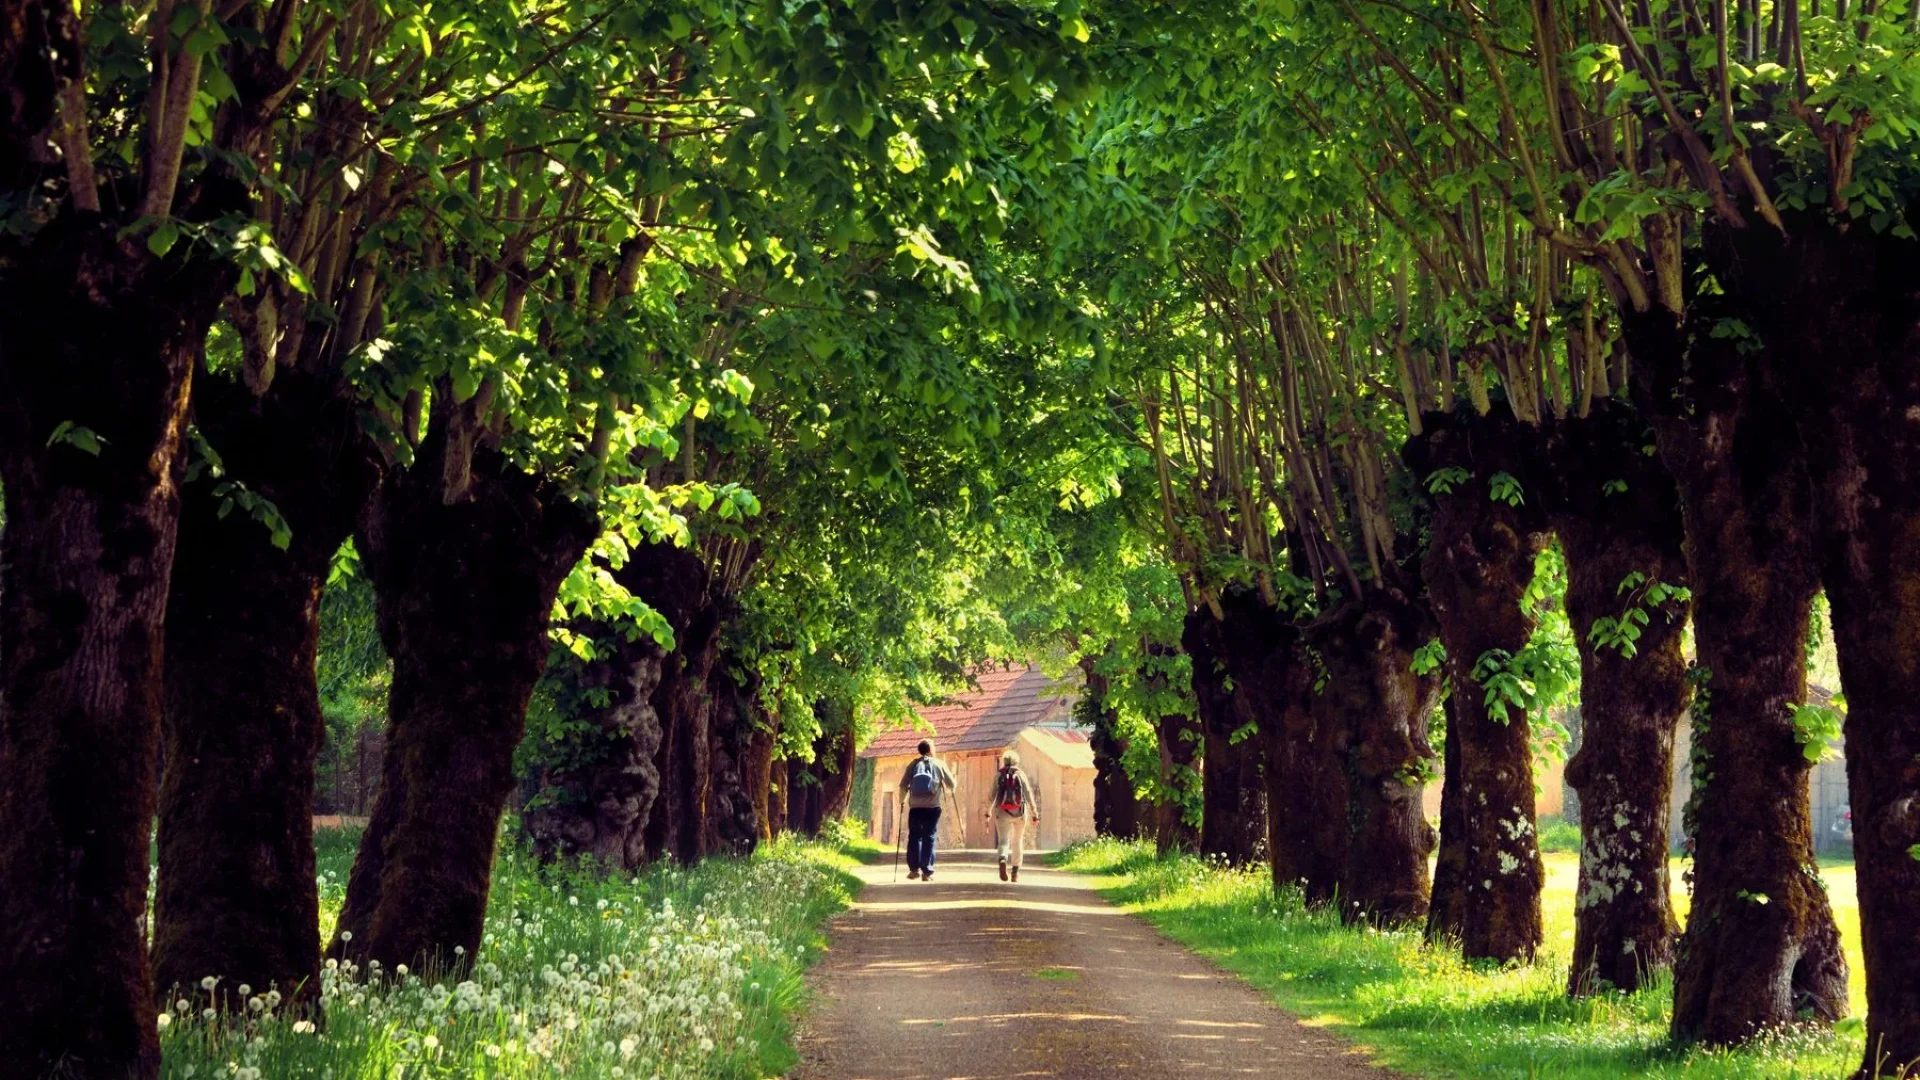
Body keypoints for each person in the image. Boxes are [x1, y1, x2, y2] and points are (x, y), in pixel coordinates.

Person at [897, 740, 957, 881]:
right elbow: (951, 784)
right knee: (929, 837)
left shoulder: (913, 764)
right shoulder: (939, 764)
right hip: (932, 807)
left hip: (915, 807)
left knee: (914, 837)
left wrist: (902, 801)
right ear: (930, 749)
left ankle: (913, 870)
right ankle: (926, 871)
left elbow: (903, 785)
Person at [986, 749, 1040, 883]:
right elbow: (1027, 794)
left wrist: (988, 811)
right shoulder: (1021, 774)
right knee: (1017, 840)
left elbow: (992, 795)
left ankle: (1002, 859)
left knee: (1004, 840)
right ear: (1017, 761)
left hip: (1002, 812)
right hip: (1019, 812)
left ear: (1004, 761)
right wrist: (1034, 812)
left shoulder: (999, 775)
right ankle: (1015, 872)